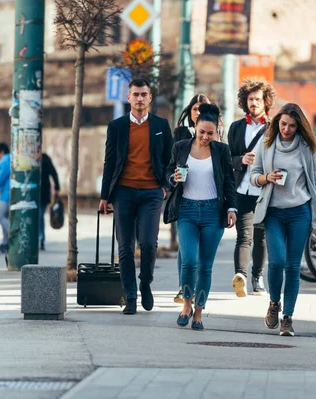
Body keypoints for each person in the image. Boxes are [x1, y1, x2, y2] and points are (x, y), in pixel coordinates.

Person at [250, 103, 316, 337]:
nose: (286, 129)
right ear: (277, 123)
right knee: (276, 262)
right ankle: (274, 303)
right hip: (273, 212)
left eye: (292, 126)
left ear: (299, 127)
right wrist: (267, 177)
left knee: (293, 267)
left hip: (299, 212)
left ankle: (287, 318)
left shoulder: (307, 148)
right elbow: (254, 176)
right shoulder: (266, 144)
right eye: (283, 124)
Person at [99, 78, 173, 315]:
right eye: (135, 94)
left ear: (150, 98)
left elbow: (170, 160)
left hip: (152, 192)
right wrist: (104, 196)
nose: (140, 98)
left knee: (149, 243)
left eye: (144, 94)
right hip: (123, 192)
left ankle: (145, 282)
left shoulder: (161, 124)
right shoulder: (117, 126)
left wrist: (165, 187)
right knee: (125, 247)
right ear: (128, 98)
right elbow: (110, 161)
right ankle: (130, 295)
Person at [165, 103, 237, 330]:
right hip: (186, 209)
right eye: (201, 131)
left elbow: (228, 183)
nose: (205, 137)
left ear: (216, 131)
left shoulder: (221, 151)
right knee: (189, 260)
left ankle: (198, 313)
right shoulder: (180, 147)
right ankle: (186, 305)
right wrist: (173, 177)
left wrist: (231, 209)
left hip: (212, 213)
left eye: (210, 133)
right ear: (195, 126)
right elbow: (168, 171)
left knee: (205, 265)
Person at [227, 78, 276, 297]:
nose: (253, 103)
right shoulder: (236, 127)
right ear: (244, 102)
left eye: (257, 99)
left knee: (261, 236)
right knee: (243, 236)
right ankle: (241, 277)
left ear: (266, 102)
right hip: (242, 189)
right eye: (250, 99)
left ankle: (257, 277)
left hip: (264, 190)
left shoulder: (275, 127)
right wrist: (241, 160)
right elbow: (227, 159)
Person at [172, 93, 211, 303]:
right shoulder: (181, 133)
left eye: (203, 109)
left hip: (209, 199)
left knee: (202, 251)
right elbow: (172, 160)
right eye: (196, 109)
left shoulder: (215, 135)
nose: (199, 113)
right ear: (190, 112)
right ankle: (182, 286)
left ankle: (196, 289)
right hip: (185, 194)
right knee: (186, 248)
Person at [40, 153, 60, 251]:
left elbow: (53, 172)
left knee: (40, 216)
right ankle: (38, 239)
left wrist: (57, 187)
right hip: (31, 194)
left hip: (43, 193)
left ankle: (41, 240)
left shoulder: (44, 158)